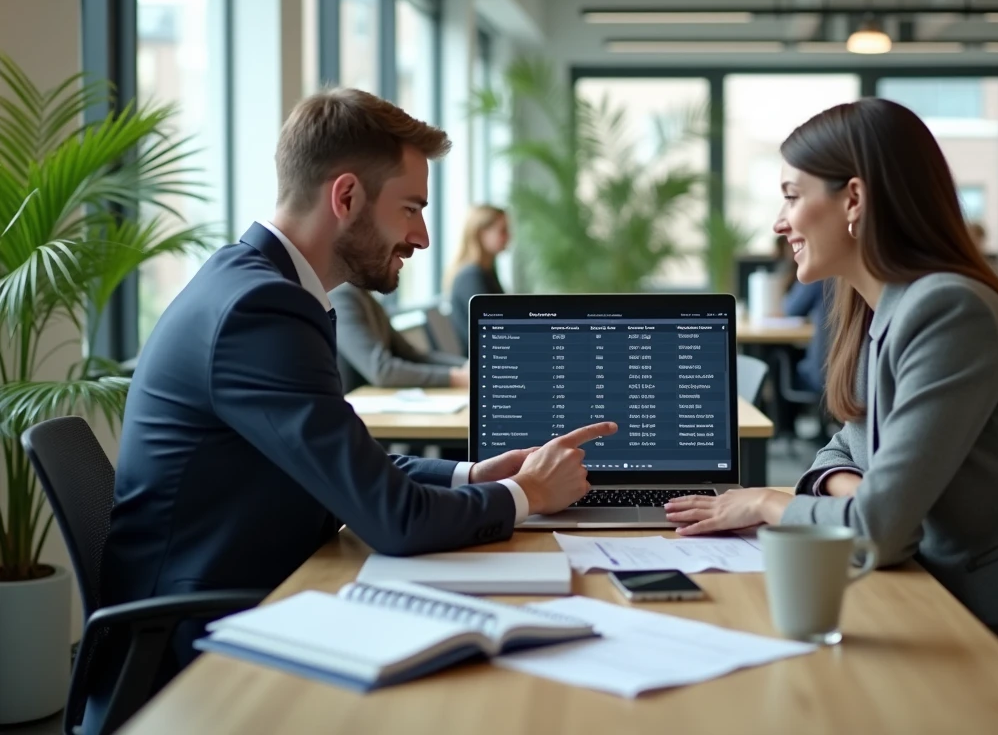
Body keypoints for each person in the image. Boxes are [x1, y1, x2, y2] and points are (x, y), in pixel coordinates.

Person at [88, 90, 616, 730]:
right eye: (412, 209)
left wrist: (471, 475)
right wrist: (525, 494)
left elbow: (342, 462)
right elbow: (391, 519)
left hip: (264, 592)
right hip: (196, 646)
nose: (422, 235)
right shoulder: (262, 310)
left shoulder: (258, 285)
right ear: (345, 198)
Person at [664, 98, 998, 633]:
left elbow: (877, 532)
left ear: (853, 199)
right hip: (937, 593)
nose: (779, 224)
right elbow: (839, 451)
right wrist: (861, 493)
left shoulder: (948, 311)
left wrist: (764, 501)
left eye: (791, 197)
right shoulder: (881, 311)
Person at [329, 283, 468, 391]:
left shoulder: (366, 297)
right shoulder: (342, 296)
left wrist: (465, 366)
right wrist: (455, 377)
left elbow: (410, 355)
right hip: (359, 418)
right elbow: (382, 371)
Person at [447, 205, 508, 348]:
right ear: (481, 233)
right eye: (502, 231)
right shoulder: (471, 277)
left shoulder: (487, 271)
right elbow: (490, 330)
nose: (508, 237)